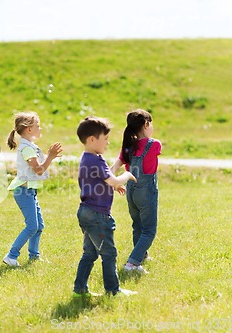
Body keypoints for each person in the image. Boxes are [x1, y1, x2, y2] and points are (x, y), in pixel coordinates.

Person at [73, 116, 137, 297]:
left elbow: (105, 178)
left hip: (86, 212)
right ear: (92, 139)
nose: (108, 143)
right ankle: (113, 290)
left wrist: (115, 182)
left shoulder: (87, 158)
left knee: (90, 253)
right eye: (105, 139)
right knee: (109, 253)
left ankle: (79, 289)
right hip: (97, 215)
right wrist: (127, 175)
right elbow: (113, 179)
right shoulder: (97, 160)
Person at [2, 112, 62, 267]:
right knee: (32, 226)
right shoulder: (27, 148)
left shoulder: (30, 146)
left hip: (30, 192)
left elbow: (38, 167)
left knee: (39, 226)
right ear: (29, 129)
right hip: (23, 192)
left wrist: (50, 156)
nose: (40, 128)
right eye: (37, 125)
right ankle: (11, 256)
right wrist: (50, 156)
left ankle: (34, 256)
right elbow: (39, 170)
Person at [111, 109, 161, 273]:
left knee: (137, 225)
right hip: (146, 191)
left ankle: (142, 255)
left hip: (131, 191)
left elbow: (114, 168)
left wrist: (111, 182)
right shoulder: (154, 144)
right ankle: (132, 264)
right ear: (146, 124)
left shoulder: (128, 147)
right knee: (149, 230)